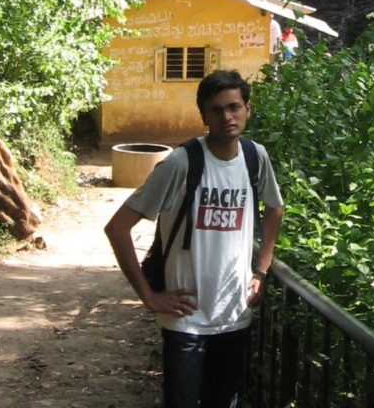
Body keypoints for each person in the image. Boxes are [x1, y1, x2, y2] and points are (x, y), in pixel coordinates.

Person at [104, 70, 284, 408]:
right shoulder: (181, 163)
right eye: (216, 110)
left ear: (248, 109)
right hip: (185, 320)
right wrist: (149, 296)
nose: (227, 117)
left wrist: (260, 271)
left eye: (234, 107)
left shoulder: (254, 156)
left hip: (234, 314)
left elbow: (275, 208)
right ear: (203, 114)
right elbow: (117, 228)